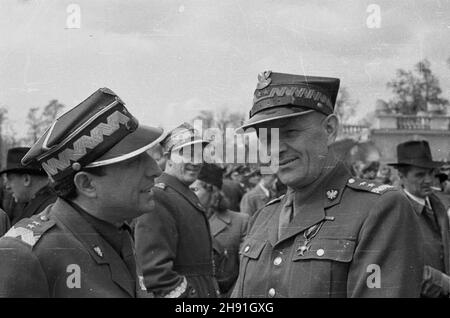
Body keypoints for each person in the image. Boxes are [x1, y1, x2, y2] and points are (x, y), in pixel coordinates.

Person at [231, 71, 424, 297]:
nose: (276, 149)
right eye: (267, 138)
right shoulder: (264, 216)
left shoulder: (380, 209)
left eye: (290, 132)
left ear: (330, 129)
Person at [0, 88, 164, 297]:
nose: (156, 169)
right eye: (134, 161)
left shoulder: (117, 230)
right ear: (86, 183)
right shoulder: (26, 255)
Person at [135, 123, 219, 298]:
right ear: (169, 157)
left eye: (199, 155)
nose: (196, 162)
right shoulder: (159, 197)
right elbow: (154, 273)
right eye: (187, 154)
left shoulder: (183, 194)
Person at [388, 140, 450, 297]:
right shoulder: (393, 212)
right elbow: (400, 266)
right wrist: (445, 283)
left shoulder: (439, 204)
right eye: (420, 175)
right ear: (402, 176)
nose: (429, 180)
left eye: (431, 173)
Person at [191, 163, 249, 297]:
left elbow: (246, 271)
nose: (188, 195)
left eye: (194, 189)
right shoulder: (181, 220)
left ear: (213, 191)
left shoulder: (240, 222)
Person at [0, 147, 57, 225]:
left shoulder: (50, 209)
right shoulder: (40, 203)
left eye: (10, 179)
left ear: (26, 179)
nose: (7, 187)